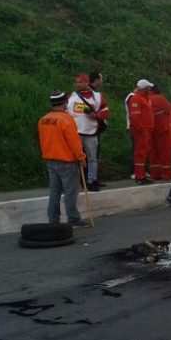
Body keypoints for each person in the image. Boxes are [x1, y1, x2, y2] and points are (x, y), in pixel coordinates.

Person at [37, 90, 89, 227]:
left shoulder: (43, 119)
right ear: (64, 103)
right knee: (70, 192)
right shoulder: (66, 119)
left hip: (50, 160)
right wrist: (81, 157)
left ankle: (53, 220)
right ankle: (73, 219)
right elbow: (74, 142)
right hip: (66, 161)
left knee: (54, 192)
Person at [66, 74, 109, 191]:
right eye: (76, 82)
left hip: (91, 133)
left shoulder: (98, 97)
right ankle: (75, 182)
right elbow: (64, 112)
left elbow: (105, 112)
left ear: (86, 82)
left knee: (92, 159)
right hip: (76, 134)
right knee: (75, 159)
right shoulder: (71, 97)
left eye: (80, 82)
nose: (77, 84)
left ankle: (91, 181)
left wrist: (95, 115)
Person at [128, 79, 155, 184]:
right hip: (141, 132)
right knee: (140, 154)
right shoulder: (136, 99)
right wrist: (142, 130)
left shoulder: (143, 98)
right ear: (144, 88)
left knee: (143, 154)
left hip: (145, 131)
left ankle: (141, 174)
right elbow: (135, 117)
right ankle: (139, 176)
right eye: (148, 87)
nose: (150, 89)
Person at [87, 70, 109, 187]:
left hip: (94, 129)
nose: (102, 82)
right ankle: (89, 180)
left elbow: (105, 110)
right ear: (95, 80)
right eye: (101, 79)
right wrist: (97, 115)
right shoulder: (88, 94)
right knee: (91, 156)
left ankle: (93, 178)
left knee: (94, 155)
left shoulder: (96, 94)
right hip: (87, 130)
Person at [148, 84, 171, 181]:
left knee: (153, 153)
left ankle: (155, 174)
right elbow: (170, 110)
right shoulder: (160, 99)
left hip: (150, 130)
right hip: (162, 129)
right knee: (165, 152)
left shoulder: (146, 99)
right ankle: (167, 174)